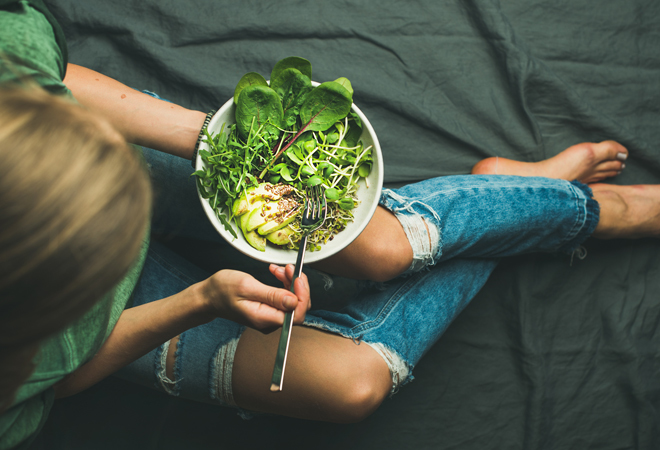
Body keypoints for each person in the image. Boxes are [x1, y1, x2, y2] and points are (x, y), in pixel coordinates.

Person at [2, 2, 660, 448]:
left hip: (98, 149)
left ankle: (569, 209)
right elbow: (64, 375)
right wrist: (195, 302)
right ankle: (508, 199)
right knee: (352, 384)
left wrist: (228, 146)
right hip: (92, 303)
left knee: (379, 248)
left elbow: (44, 80)